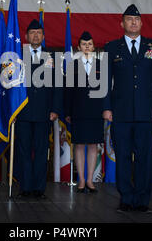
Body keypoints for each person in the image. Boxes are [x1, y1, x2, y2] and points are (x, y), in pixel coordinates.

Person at [102, 4, 152, 213]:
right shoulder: (112, 47)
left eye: (137, 19)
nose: (133, 22)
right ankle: (126, 198)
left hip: (147, 112)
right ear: (122, 24)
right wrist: (106, 108)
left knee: (144, 158)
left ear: (141, 23)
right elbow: (105, 80)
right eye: (129, 19)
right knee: (122, 157)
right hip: (120, 112)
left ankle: (142, 200)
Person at [15, 19, 62, 199]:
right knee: (24, 151)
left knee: (42, 151)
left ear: (43, 36)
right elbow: (12, 85)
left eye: (39, 32)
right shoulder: (18, 56)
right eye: (32, 32)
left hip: (45, 112)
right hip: (23, 111)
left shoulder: (52, 57)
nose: (35, 35)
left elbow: (58, 87)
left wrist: (55, 109)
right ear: (26, 36)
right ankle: (25, 188)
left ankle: (39, 189)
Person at [65, 31, 104, 193]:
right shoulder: (72, 66)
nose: (87, 47)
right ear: (78, 47)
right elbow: (67, 91)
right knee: (79, 146)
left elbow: (106, 90)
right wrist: (67, 111)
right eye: (83, 44)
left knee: (93, 145)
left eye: (89, 44)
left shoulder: (101, 66)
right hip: (78, 110)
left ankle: (90, 180)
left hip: (96, 111)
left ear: (94, 47)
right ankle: (81, 180)